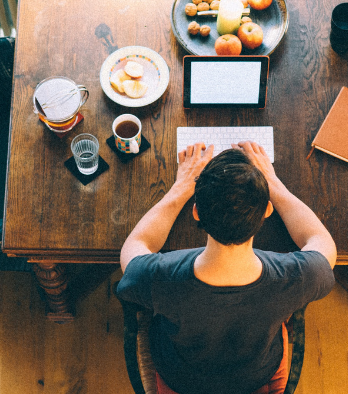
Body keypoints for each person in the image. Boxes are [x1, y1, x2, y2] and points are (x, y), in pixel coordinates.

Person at [117, 141, 336, 394]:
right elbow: (322, 243)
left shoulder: (159, 278)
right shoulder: (296, 278)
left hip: (181, 376)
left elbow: (135, 246)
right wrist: (274, 185)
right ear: (267, 210)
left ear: (196, 212)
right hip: (254, 376)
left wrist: (180, 188)